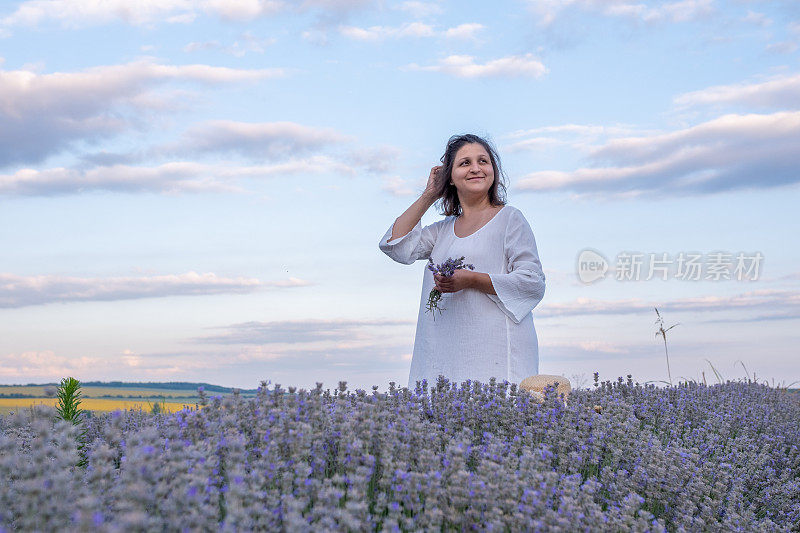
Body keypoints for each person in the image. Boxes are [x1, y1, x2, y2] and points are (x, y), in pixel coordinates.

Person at [379, 133, 546, 390]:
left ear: (493, 170)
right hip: (443, 350)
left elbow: (532, 282)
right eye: (464, 163)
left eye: (483, 161)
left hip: (496, 349)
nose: (476, 168)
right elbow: (396, 246)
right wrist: (428, 196)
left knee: (496, 420)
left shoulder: (510, 219)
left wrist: (471, 279)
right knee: (442, 421)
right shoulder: (442, 230)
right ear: (451, 178)